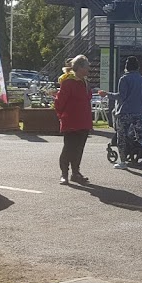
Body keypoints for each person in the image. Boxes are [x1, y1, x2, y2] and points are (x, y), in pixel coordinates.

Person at [53, 54, 93, 185]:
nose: (88, 70)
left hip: (84, 121)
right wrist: (62, 116)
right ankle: (64, 173)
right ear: (80, 67)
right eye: (87, 67)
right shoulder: (68, 82)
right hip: (71, 121)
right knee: (69, 148)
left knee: (79, 149)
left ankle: (76, 173)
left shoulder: (85, 82)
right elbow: (60, 102)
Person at [114, 56, 142, 172]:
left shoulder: (124, 79)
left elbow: (121, 97)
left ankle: (123, 161)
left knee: (121, 136)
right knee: (141, 136)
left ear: (126, 67)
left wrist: (107, 94)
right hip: (140, 113)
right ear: (138, 67)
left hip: (126, 112)